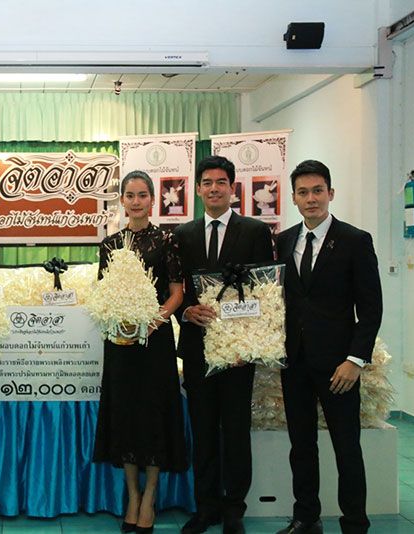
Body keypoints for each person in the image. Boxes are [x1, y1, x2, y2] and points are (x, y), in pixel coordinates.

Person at [275, 160, 382, 534]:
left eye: (318, 191)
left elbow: (371, 308)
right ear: (293, 198)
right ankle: (306, 517)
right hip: (295, 363)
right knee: (301, 447)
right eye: (303, 192)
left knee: (347, 447)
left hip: (339, 366)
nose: (311, 199)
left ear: (330, 193)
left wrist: (355, 360)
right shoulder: (283, 241)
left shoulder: (355, 240)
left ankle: (355, 523)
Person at [174, 155, 274, 534]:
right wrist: (186, 311)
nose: (214, 188)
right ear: (198, 189)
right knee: (202, 432)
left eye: (221, 182)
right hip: (197, 349)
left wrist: (247, 339)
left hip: (237, 352)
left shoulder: (254, 231)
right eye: (207, 182)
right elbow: (175, 288)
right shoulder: (182, 234)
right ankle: (206, 508)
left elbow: (265, 290)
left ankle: (234, 509)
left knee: (235, 431)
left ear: (232, 188)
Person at [92, 170, 188, 534]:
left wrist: (153, 321)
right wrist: (118, 322)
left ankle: (151, 495)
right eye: (130, 195)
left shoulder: (167, 240)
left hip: (154, 341)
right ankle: (132, 494)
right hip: (120, 344)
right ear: (122, 200)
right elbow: (103, 293)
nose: (136, 201)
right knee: (125, 416)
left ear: (152, 199)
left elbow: (177, 292)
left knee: (153, 415)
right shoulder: (110, 245)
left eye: (142, 195)